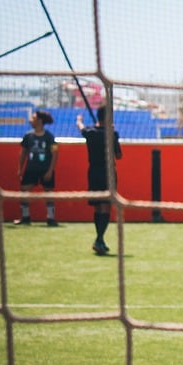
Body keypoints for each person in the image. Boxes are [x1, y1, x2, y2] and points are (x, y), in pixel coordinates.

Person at [77, 107, 122, 256]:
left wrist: (79, 121)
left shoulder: (90, 133)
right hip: (108, 172)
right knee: (106, 205)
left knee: (97, 206)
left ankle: (100, 239)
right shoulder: (112, 134)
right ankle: (100, 239)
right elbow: (119, 155)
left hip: (94, 171)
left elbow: (82, 129)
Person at [14, 110, 59, 226]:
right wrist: (20, 168)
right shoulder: (28, 136)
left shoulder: (50, 137)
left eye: (33, 118)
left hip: (45, 169)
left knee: (48, 193)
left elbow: (55, 153)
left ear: (39, 121)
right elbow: (23, 153)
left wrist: (50, 170)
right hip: (31, 169)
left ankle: (51, 218)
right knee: (24, 190)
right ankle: (25, 217)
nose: (30, 120)